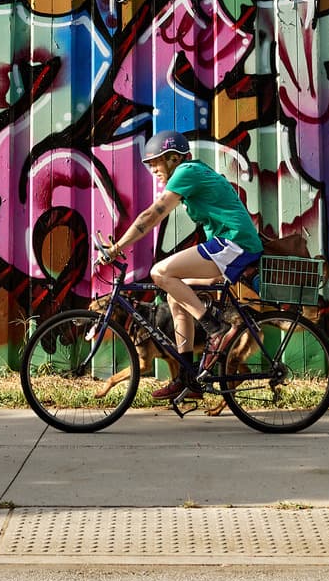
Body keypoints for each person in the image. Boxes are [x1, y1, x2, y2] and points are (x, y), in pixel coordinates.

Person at [96, 130, 264, 400]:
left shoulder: (186, 172)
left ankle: (214, 328)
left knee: (159, 272)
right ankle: (188, 379)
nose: (153, 170)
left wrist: (116, 248)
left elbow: (154, 214)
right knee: (175, 296)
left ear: (173, 158)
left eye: (156, 163)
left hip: (235, 245)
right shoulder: (192, 173)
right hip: (229, 246)